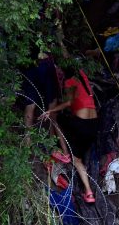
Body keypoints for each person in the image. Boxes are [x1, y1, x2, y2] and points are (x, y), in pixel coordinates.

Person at [39, 64, 99, 204]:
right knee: (79, 159)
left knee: (56, 119)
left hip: (81, 124)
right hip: (94, 124)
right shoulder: (82, 75)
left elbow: (68, 103)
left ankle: (65, 154)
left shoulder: (69, 81)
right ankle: (89, 193)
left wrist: (50, 111)